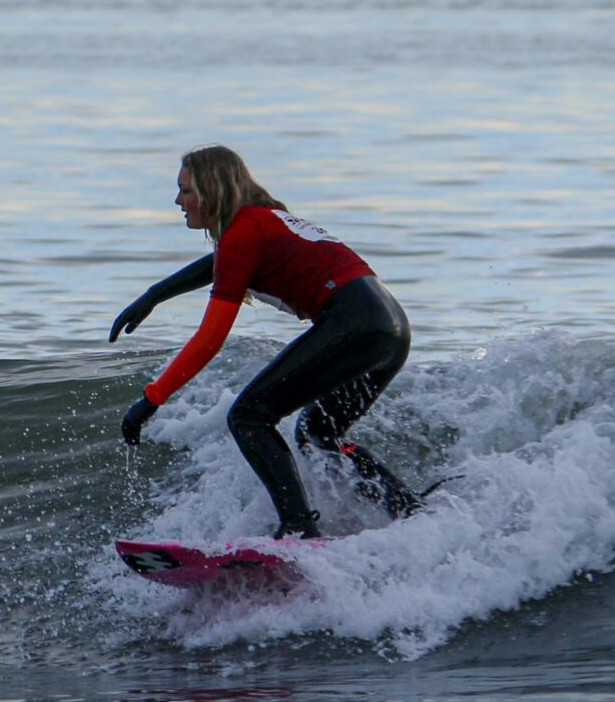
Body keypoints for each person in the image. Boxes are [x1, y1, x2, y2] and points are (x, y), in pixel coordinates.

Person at [110, 145, 423, 539]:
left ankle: (299, 530)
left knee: (249, 416)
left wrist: (151, 399)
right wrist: (155, 295)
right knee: (319, 434)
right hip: (390, 328)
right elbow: (219, 264)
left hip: (353, 322)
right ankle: (409, 510)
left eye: (185, 191)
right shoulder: (261, 222)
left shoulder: (244, 231)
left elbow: (209, 339)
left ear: (211, 191)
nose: (178, 200)